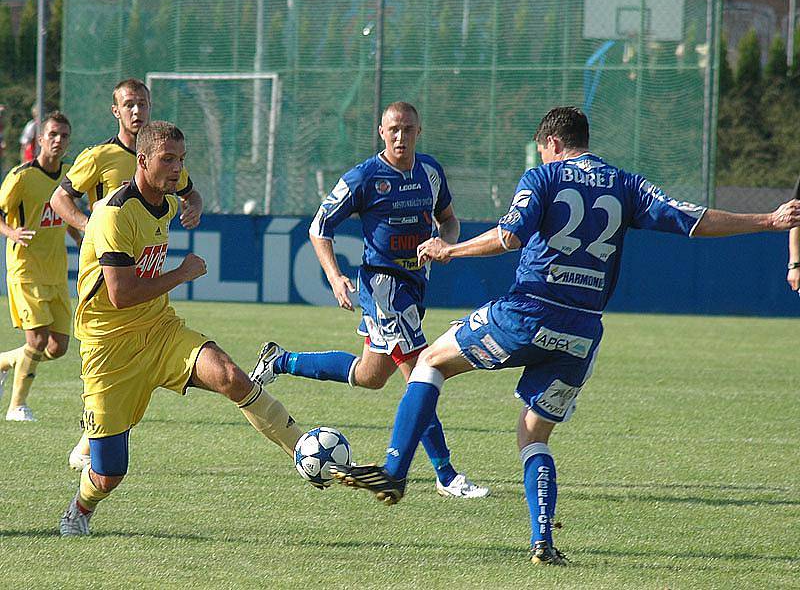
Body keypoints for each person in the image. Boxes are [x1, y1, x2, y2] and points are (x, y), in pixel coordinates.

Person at [330, 106, 800, 565]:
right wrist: (767, 221)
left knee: (430, 361)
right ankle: (542, 541)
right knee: (534, 434)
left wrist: (452, 250)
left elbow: (509, 236)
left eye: (541, 150)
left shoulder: (543, 178)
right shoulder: (626, 183)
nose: (540, 157)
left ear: (552, 144)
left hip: (527, 313)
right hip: (581, 331)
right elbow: (692, 219)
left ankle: (395, 471)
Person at [59, 121, 306, 536]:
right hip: (108, 350)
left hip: (160, 331)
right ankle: (81, 508)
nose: (177, 169)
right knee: (109, 474)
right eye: (167, 160)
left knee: (230, 375)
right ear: (142, 161)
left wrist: (194, 205)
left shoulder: (165, 202)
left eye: (181, 160)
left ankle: (304, 451)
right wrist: (182, 273)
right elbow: (120, 294)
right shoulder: (114, 215)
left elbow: (188, 198)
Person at [251, 102, 489, 499]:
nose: (401, 137)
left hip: (413, 287)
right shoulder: (364, 177)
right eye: (393, 129)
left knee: (370, 376)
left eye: (408, 129)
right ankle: (446, 475)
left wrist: (445, 242)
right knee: (422, 372)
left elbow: (449, 220)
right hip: (383, 289)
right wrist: (335, 276)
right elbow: (319, 227)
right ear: (381, 131)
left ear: (418, 131)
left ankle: (280, 360)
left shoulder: (430, 172)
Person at [50, 78, 202, 471]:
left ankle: (95, 439)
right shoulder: (98, 156)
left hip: (142, 269)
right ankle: (97, 435)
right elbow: (59, 198)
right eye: (129, 105)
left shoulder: (162, 155)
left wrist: (193, 207)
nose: (137, 111)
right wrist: (90, 228)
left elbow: (189, 191)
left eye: (143, 104)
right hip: (110, 269)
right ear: (116, 111)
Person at [0, 112, 81, 421]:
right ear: (41, 139)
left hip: (56, 271)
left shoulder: (70, 175)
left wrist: (79, 235)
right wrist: (11, 232)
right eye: (53, 135)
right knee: (36, 340)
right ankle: (17, 407)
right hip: (26, 269)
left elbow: (67, 213)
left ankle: (6, 361)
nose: (59, 140)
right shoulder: (21, 177)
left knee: (57, 347)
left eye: (64, 136)